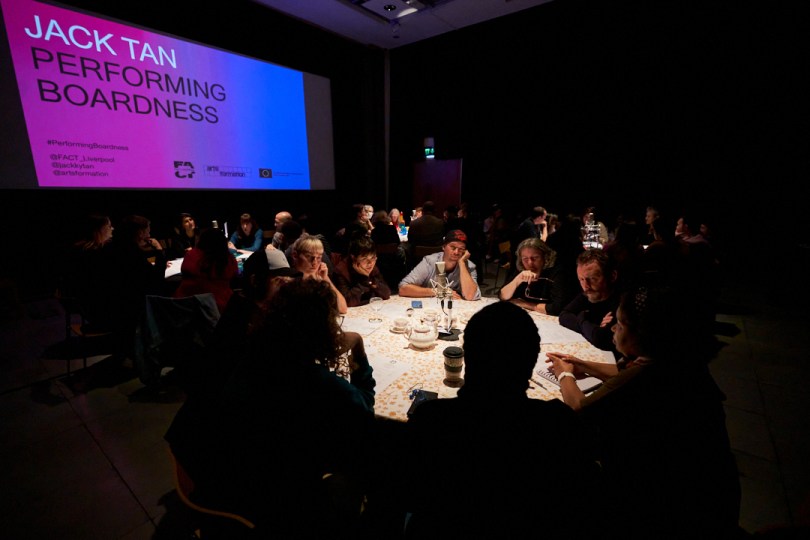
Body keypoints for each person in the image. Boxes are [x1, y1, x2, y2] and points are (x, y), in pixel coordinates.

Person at [165, 278, 376, 537]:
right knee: (362, 462)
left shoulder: (250, 351)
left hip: (212, 469)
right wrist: (359, 353)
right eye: (331, 321)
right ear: (321, 328)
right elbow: (365, 410)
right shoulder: (312, 379)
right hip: (262, 498)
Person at [546, 285, 741, 538]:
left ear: (646, 334)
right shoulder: (675, 359)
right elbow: (624, 374)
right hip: (715, 485)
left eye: (620, 324)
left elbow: (578, 408)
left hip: (668, 503)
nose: (614, 329)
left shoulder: (649, 374)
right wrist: (582, 364)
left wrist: (565, 373)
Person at [402, 301, 602, 539]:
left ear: (468, 356)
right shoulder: (557, 424)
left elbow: (407, 494)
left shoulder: (431, 420)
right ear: (529, 365)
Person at [558, 248, 620, 354]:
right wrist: (589, 324)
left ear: (612, 276)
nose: (586, 286)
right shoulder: (588, 293)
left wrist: (582, 318)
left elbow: (601, 338)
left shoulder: (622, 301)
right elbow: (564, 315)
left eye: (592, 279)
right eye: (581, 279)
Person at [398, 229, 481, 301]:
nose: (456, 252)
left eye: (461, 249)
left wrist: (462, 263)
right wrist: (438, 291)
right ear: (444, 247)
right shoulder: (430, 262)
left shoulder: (469, 266)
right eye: (453, 247)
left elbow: (471, 296)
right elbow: (403, 289)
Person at [173, 227, 239, 314]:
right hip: (217, 310)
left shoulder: (191, 255)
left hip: (184, 308)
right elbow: (234, 274)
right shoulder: (228, 260)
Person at [498, 237, 571, 315]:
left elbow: (557, 308)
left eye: (535, 258)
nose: (530, 263)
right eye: (525, 259)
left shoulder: (557, 273)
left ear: (545, 256)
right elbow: (503, 296)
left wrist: (526, 304)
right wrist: (517, 280)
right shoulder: (521, 270)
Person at [291, 234, 348, 313]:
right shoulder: (288, 280)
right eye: (309, 256)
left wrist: (326, 278)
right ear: (295, 255)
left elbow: (342, 308)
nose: (314, 262)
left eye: (319, 258)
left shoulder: (319, 278)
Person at [332, 236, 391, 307]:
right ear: (353, 258)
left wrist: (371, 282)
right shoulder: (341, 271)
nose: (370, 263)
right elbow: (348, 302)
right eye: (364, 258)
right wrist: (364, 278)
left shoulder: (371, 266)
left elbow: (386, 293)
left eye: (373, 257)